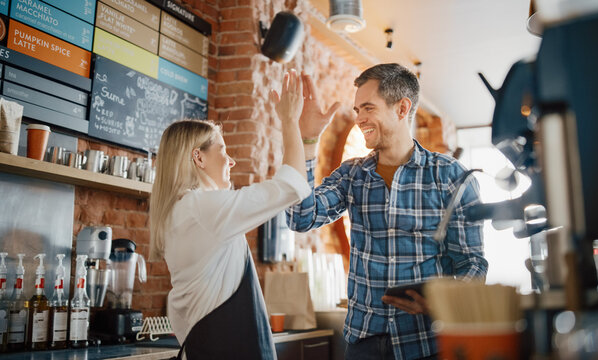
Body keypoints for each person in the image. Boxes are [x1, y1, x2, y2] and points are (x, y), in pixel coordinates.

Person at [286, 64, 488, 360]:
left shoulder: (451, 177)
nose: (359, 119)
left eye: (367, 108)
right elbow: (301, 217)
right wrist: (307, 140)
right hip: (362, 345)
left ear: (402, 108)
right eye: (356, 110)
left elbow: (472, 264)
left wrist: (443, 302)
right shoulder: (351, 175)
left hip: (427, 343)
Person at [149, 70, 311, 359]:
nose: (232, 160)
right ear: (198, 157)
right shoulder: (201, 209)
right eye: (223, 150)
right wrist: (291, 122)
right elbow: (292, 185)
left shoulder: (185, 211)